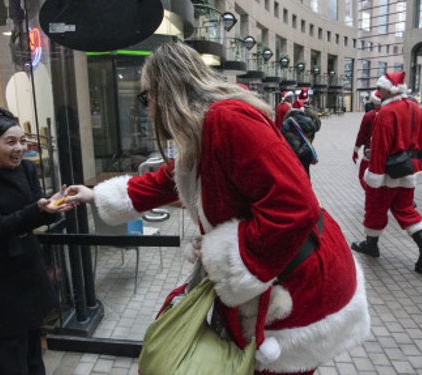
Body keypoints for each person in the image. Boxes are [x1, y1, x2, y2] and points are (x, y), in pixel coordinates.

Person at [65, 42, 369, 375]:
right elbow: (169, 180)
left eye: (145, 98)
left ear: (166, 92)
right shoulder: (204, 127)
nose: (145, 110)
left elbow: (295, 207)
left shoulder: (227, 120)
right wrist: (95, 195)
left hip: (300, 286)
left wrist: (222, 255)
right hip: (282, 278)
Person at [0, 106, 74, 375]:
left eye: (22, 141)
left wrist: (51, 208)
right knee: (11, 360)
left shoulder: (26, 170)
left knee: (34, 354)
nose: (19, 148)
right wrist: (40, 210)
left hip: (28, 273)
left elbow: (35, 212)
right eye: (10, 142)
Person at [351, 71, 422, 271]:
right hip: (410, 168)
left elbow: (381, 146)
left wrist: (374, 175)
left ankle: (371, 245)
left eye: (381, 88)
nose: (379, 91)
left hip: (387, 171)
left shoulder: (387, 112)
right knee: (405, 208)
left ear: (390, 90)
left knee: (375, 207)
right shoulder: (416, 109)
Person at [280, 107, 321, 177]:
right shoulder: (309, 121)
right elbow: (316, 128)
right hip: (306, 152)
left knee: (295, 175)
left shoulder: (287, 123)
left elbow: (281, 135)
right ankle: (307, 186)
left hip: (293, 154)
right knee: (306, 173)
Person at [352, 90, 382, 190]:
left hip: (371, 151)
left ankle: (372, 193)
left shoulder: (369, 115)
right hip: (390, 153)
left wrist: (356, 150)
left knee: (364, 175)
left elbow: (362, 135)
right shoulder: (392, 113)